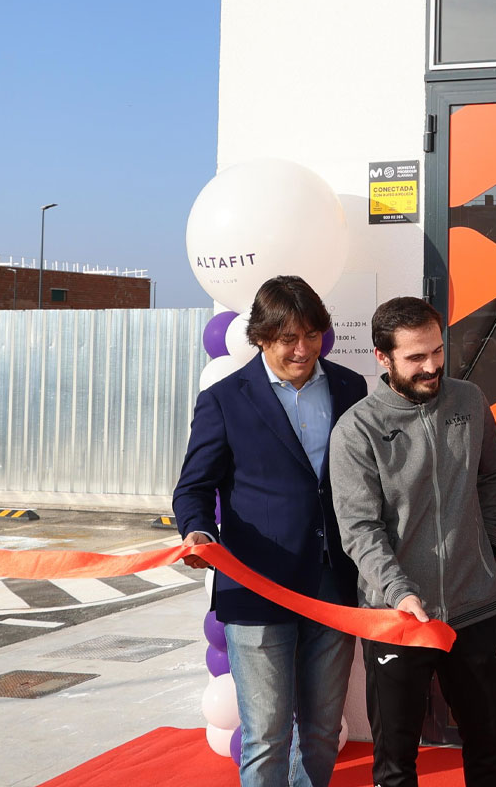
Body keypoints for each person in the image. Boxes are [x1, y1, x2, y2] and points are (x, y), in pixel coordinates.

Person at [172, 275, 369, 787]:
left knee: (324, 731)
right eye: (287, 339)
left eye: (311, 335)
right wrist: (196, 533)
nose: (302, 350)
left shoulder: (351, 387)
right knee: (266, 736)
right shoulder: (225, 400)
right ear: (261, 337)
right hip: (257, 588)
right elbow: (192, 488)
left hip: (334, 585)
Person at [329, 297, 496, 787]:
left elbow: (494, 476)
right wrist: (399, 592)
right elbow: (359, 529)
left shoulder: (469, 401)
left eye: (436, 351)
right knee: (395, 761)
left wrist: (485, 545)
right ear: (382, 359)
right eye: (415, 358)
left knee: (488, 746)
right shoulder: (356, 429)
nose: (431, 366)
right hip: (397, 619)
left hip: (473, 608)